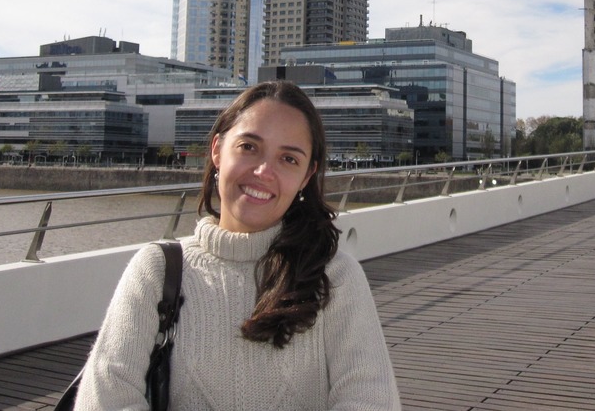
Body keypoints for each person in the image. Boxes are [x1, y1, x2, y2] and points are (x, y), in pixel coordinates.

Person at [74, 80, 401, 410]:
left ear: (306, 176)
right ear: (217, 150)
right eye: (249, 147)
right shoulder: (158, 270)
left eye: (288, 159)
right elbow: (105, 397)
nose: (263, 171)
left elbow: (369, 399)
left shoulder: (336, 278)